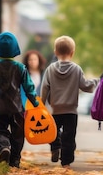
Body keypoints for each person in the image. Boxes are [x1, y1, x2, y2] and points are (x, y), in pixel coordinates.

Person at [0, 32, 39, 168]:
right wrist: (35, 103)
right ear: (16, 49)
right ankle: (15, 160)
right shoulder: (21, 68)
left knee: (1, 130)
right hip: (16, 108)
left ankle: (4, 147)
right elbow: (29, 87)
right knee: (18, 135)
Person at [40, 35, 98, 168]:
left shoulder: (50, 69)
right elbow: (85, 85)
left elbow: (44, 88)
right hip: (71, 111)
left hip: (55, 110)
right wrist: (98, 81)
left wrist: (42, 104)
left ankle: (55, 147)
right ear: (72, 53)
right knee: (69, 137)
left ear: (55, 52)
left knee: (53, 132)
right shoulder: (76, 69)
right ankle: (66, 162)